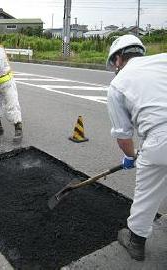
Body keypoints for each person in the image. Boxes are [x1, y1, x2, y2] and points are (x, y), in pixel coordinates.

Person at [106, 34, 167, 261]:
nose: (115, 67)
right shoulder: (163, 60)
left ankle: (136, 241)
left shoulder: (118, 84)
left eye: (115, 63)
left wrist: (131, 157)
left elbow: (123, 136)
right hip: (160, 138)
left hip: (161, 140)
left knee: (147, 193)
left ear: (119, 58)